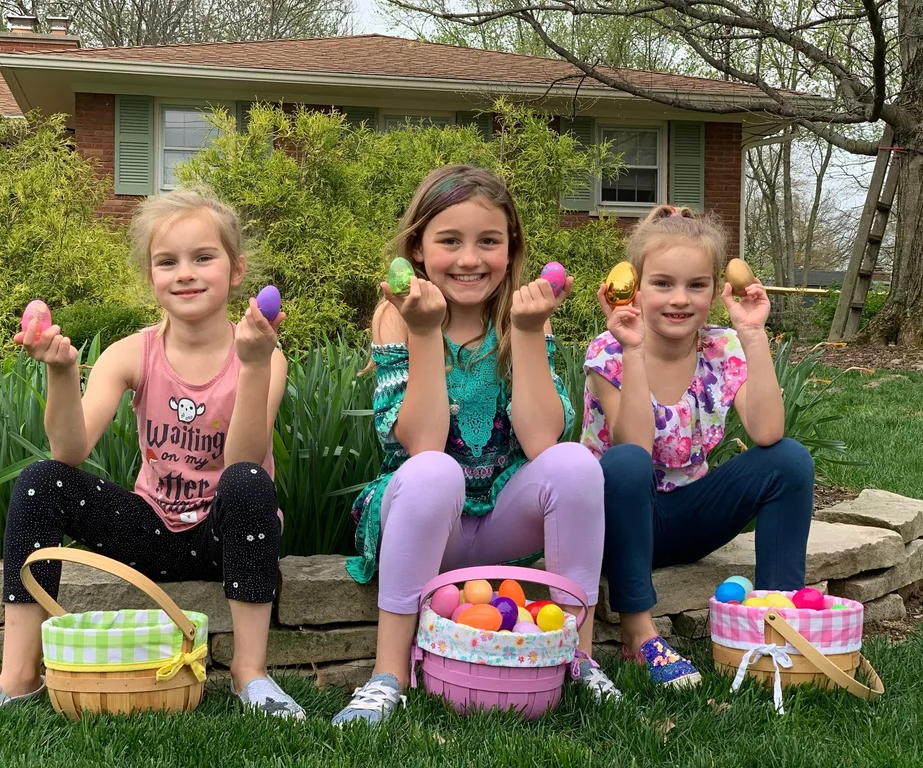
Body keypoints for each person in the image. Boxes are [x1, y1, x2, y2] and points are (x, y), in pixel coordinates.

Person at [0, 186, 305, 721]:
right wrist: (61, 372)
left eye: (204, 257)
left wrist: (254, 364)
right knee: (41, 479)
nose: (185, 273)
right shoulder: (133, 352)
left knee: (247, 481)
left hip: (223, 535)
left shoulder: (263, 354)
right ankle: (16, 676)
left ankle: (250, 673)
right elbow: (70, 449)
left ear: (236, 269)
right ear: (152, 276)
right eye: (167, 261)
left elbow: (244, 456)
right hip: (149, 528)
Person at [333, 165, 614, 727]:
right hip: (422, 516)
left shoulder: (522, 316)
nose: (469, 259)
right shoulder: (398, 315)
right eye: (449, 241)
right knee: (437, 471)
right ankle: (388, 672)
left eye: (489, 241)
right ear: (418, 248)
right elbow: (423, 444)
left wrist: (531, 333)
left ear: (511, 249)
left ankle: (574, 655)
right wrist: (423, 332)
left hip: (499, 523)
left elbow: (540, 442)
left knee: (576, 462)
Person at [582, 204, 813, 688]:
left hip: (688, 516)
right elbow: (635, 448)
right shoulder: (609, 351)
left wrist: (752, 335)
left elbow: (767, 432)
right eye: (662, 284)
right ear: (633, 288)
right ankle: (638, 633)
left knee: (789, 460)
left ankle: (776, 617)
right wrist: (634, 349)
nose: (679, 299)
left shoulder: (721, 347)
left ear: (716, 290)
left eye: (697, 285)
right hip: (617, 521)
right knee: (625, 462)